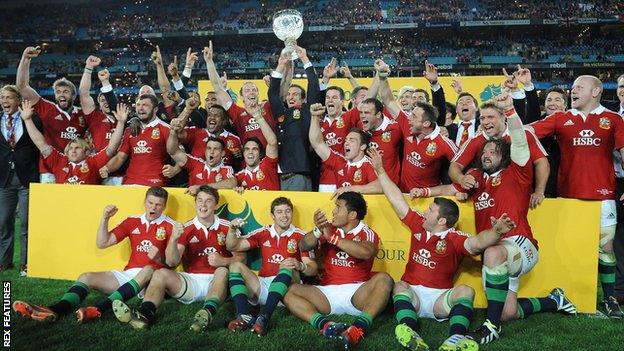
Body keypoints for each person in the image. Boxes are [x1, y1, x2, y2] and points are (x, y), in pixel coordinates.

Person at [369, 147, 516, 351]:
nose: (424, 211)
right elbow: (396, 199)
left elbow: (478, 243)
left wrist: (497, 231)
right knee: (400, 286)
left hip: (439, 300)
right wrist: (380, 171)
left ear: (442, 221)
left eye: (430, 210)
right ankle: (410, 331)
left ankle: (455, 339)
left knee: (466, 291)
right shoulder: (418, 223)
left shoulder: (455, 239)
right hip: (413, 297)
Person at [464, 92, 577, 344]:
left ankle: (490, 327)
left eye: (492, 151)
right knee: (508, 312)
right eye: (484, 151)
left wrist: (511, 110)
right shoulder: (476, 177)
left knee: (492, 253)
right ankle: (554, 300)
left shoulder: (518, 173)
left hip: (520, 245)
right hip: (501, 253)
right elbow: (449, 188)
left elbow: (519, 139)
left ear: (504, 156)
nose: (486, 154)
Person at [528, 75, 624, 318]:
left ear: (596, 91)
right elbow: (528, 133)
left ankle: (610, 298)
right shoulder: (561, 118)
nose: (573, 91)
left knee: (607, 248)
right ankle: (571, 293)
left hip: (603, 197)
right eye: (573, 88)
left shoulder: (613, 120)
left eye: (579, 87)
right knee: (569, 248)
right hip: (568, 198)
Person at [13, 187, 180, 323]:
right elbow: (102, 243)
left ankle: (98, 309)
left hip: (152, 281)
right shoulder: (132, 221)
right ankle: (56, 309)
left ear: (164, 206)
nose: (153, 207)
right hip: (130, 276)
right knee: (86, 276)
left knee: (149, 268)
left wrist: (158, 258)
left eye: (158, 204)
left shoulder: (171, 225)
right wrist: (105, 218)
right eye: (150, 202)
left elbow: (172, 263)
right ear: (144, 202)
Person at [113, 186, 236, 330]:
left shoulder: (228, 226)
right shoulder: (186, 228)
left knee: (222, 271)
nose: (203, 205)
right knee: (160, 273)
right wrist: (173, 239)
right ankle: (145, 314)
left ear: (216, 205)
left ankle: (207, 313)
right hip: (192, 282)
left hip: (217, 282)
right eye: (200, 200)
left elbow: (241, 261)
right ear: (195, 203)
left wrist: (224, 261)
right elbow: (172, 262)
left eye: (208, 201)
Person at [283, 192, 393, 349]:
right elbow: (303, 245)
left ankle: (359, 327)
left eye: (338, 207)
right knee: (289, 291)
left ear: (352, 214)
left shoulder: (367, 232)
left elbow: (366, 252)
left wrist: (332, 238)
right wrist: (318, 230)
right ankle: (325, 324)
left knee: (384, 279)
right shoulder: (329, 229)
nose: (333, 211)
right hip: (327, 293)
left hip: (358, 293)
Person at [225, 197, 318, 335]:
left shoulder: (301, 236)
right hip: (263, 287)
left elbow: (313, 268)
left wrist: (300, 266)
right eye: (279, 212)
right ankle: (243, 315)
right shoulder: (263, 233)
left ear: (292, 213)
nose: (284, 216)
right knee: (235, 266)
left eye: (287, 211)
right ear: (272, 216)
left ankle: (265, 316)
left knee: (286, 265)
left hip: (287, 291)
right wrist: (232, 230)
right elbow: (232, 245)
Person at [449, 98, 550, 210]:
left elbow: (541, 162)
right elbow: (455, 166)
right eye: (482, 118)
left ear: (503, 117)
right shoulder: (475, 140)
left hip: (520, 199)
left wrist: (539, 192)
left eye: (490, 117)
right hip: (488, 201)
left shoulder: (523, 134)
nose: (485, 122)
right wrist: (461, 179)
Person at [16, 46, 88, 183]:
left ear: (73, 96)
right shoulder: (47, 108)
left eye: (66, 91)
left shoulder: (82, 114)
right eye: (58, 91)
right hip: (49, 169)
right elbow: (22, 87)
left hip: (76, 167)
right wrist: (26, 59)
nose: (61, 94)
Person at [21, 100, 127, 184]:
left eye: (77, 148)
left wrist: (121, 123)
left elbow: (111, 148)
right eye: (70, 148)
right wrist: (27, 120)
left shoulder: (93, 162)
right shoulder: (59, 161)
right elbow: (41, 144)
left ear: (86, 151)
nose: (73, 151)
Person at [0, 86, 42, 276]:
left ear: (18, 100)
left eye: (9, 97)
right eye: (2, 97)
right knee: (4, 222)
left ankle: (25, 262)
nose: (5, 101)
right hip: (4, 178)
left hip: (27, 177)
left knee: (26, 223)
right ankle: (5, 261)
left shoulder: (32, 119)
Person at [204, 41, 274, 148]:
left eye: (254, 90)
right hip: (250, 161)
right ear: (241, 96)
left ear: (258, 93)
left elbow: (282, 91)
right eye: (247, 90)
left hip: (271, 159)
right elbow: (217, 88)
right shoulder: (237, 112)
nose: (251, 92)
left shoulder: (267, 107)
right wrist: (209, 62)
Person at [268, 47, 320, 191]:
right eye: (289, 94)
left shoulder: (307, 110)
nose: (290, 97)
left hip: (299, 175)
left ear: (304, 99)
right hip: (281, 176)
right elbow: (272, 94)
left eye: (295, 94)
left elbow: (314, 85)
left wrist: (304, 59)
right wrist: (281, 65)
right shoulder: (282, 114)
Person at [309, 103, 381, 197]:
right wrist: (314, 117)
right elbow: (317, 143)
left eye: (352, 140)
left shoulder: (369, 164)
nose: (346, 143)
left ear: (362, 146)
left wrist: (350, 189)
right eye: (346, 140)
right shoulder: (339, 161)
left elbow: (380, 186)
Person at [99, 94, 171, 186]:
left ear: (155, 109)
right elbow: (120, 157)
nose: (140, 108)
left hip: (154, 182)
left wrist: (175, 169)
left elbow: (178, 154)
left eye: (145, 105)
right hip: (130, 181)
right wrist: (107, 168)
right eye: (138, 105)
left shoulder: (166, 129)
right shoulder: (129, 130)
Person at [400, 101, 457, 195]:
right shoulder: (409, 126)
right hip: (403, 195)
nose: (409, 118)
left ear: (426, 123)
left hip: (426, 198)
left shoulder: (443, 143)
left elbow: (462, 164)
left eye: (413, 116)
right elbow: (389, 101)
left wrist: (460, 189)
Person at [167, 119, 236, 193]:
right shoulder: (195, 163)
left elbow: (232, 183)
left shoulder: (226, 169)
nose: (211, 152)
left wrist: (201, 188)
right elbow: (172, 151)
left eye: (215, 149)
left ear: (222, 153)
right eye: (209, 148)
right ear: (205, 151)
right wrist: (173, 131)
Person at [234, 104, 280, 191]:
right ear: (243, 153)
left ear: (261, 153)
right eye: (247, 149)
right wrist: (235, 191)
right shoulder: (239, 177)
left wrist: (257, 116)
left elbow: (272, 142)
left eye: (254, 149)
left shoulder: (268, 165)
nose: (250, 152)